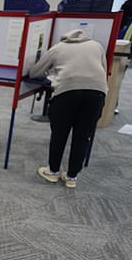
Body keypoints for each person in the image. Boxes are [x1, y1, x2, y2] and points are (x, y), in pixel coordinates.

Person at [29, 29, 107, 189]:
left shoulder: (58, 48)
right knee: (83, 136)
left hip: (67, 92)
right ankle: (72, 177)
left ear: (64, 38)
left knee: (60, 133)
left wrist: (51, 72)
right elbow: (103, 70)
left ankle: (53, 171)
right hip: (96, 93)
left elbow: (34, 72)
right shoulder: (97, 46)